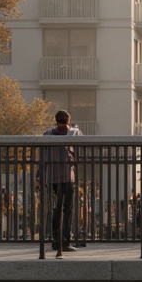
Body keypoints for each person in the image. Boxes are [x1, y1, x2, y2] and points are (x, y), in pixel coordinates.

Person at [40, 110, 82, 258]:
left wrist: (40, 176)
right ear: (68, 121)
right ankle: (65, 241)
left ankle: (56, 240)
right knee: (67, 207)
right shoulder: (74, 133)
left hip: (52, 176)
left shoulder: (47, 134)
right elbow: (79, 152)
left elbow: (42, 156)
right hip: (67, 176)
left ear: (56, 120)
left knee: (56, 208)